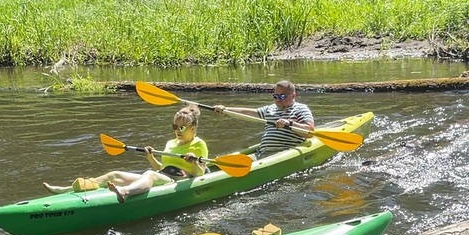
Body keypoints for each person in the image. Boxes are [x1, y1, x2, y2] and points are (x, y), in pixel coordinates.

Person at [43, 105, 209, 201]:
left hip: (181, 179)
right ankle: (67, 190)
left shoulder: (198, 144)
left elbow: (200, 175)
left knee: (150, 175)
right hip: (164, 175)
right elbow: (161, 167)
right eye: (174, 127)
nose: (177, 131)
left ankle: (125, 192)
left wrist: (194, 162)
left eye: (182, 127)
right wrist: (150, 157)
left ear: (192, 128)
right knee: (114, 174)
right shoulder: (170, 143)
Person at [213, 79, 314, 157]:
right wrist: (225, 110)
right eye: (276, 96)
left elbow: (310, 131)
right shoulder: (270, 109)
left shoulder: (301, 109)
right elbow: (247, 113)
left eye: (282, 97)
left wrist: (290, 123)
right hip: (261, 153)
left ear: (293, 95)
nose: (278, 100)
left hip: (282, 153)